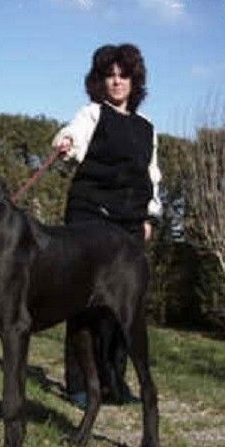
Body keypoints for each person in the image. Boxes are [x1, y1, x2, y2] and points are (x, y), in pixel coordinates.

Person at [51, 43, 162, 408]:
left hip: (128, 225)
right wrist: (67, 142)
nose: (116, 82)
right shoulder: (92, 114)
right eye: (110, 76)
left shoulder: (148, 128)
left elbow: (151, 176)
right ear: (100, 81)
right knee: (81, 303)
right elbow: (74, 135)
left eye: (123, 76)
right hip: (90, 218)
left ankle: (115, 380)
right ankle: (80, 384)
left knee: (124, 306)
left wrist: (149, 216)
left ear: (134, 81)